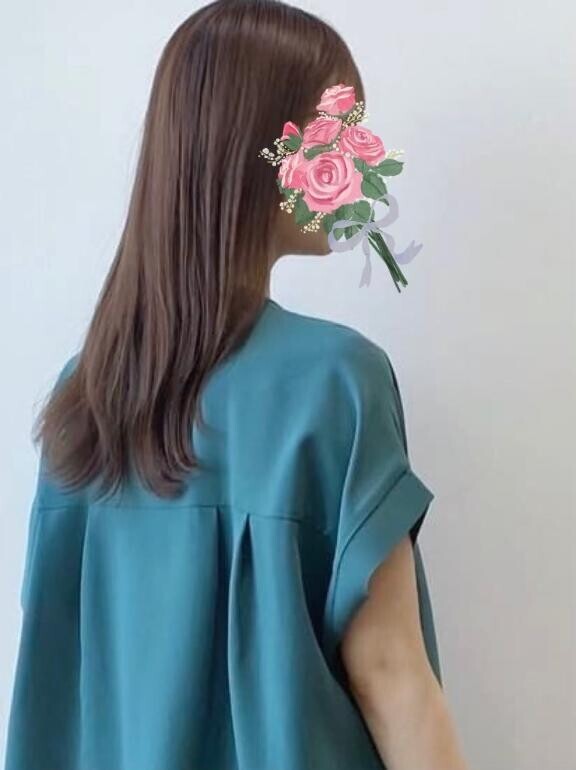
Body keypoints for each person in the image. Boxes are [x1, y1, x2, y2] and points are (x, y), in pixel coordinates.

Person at [4, 1, 468, 768]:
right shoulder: (335, 380)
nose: (359, 163)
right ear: (258, 148)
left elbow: (54, 693)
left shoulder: (84, 396)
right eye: (338, 131)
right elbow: (392, 675)